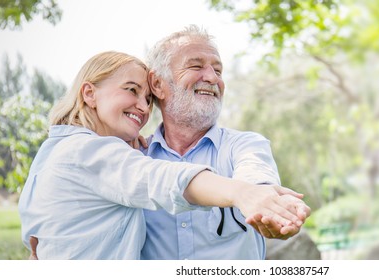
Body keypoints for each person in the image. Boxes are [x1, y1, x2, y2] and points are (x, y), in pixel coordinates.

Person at [18, 51, 307, 260]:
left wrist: (262, 195)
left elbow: (34, 233)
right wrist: (242, 193)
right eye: (131, 90)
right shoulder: (89, 152)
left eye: (147, 100)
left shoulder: (55, 150)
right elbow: (159, 178)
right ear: (89, 94)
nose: (143, 107)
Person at [140, 25, 310, 260]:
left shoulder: (246, 145)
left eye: (218, 70)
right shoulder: (136, 158)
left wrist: (269, 206)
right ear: (158, 84)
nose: (212, 78)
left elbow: (257, 178)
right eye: (196, 66)